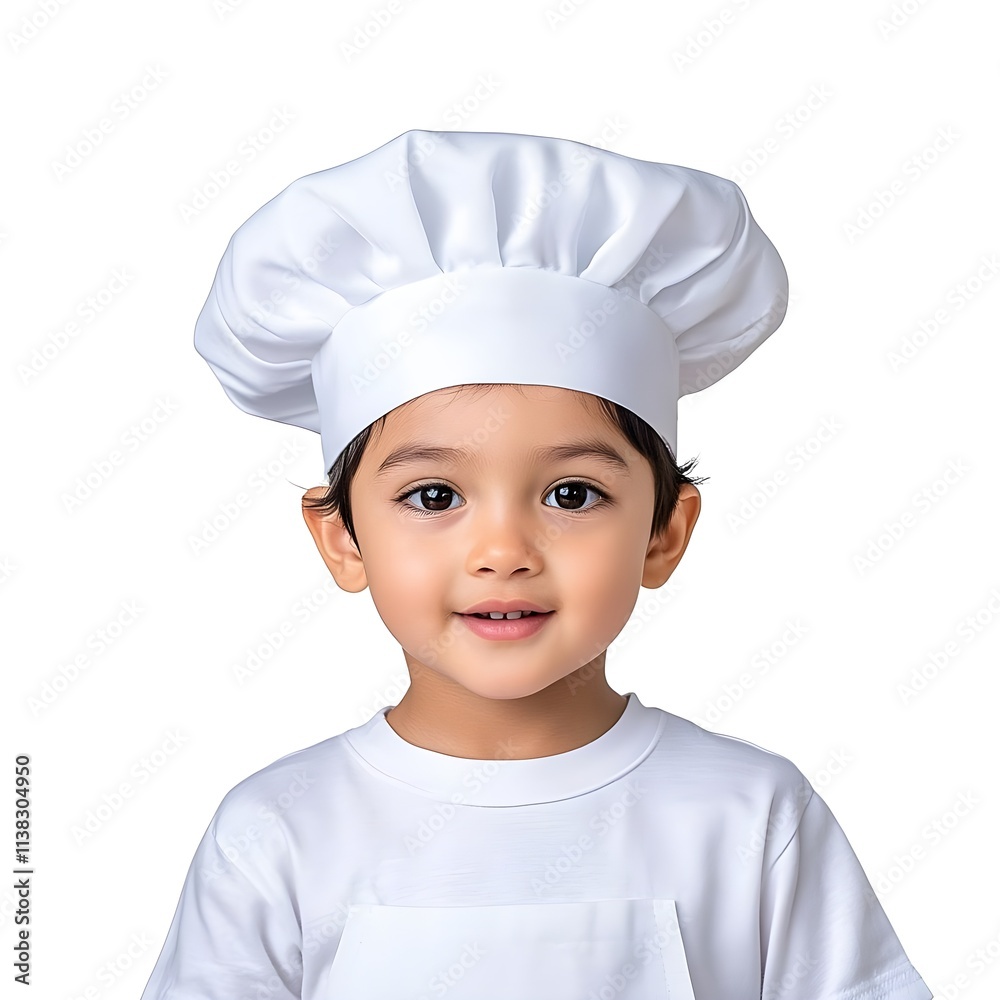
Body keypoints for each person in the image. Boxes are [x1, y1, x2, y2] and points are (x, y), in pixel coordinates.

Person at [139, 129, 932, 999]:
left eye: (571, 495)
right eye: (435, 497)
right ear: (342, 539)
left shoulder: (752, 816)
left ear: (665, 532)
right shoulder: (276, 834)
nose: (504, 553)